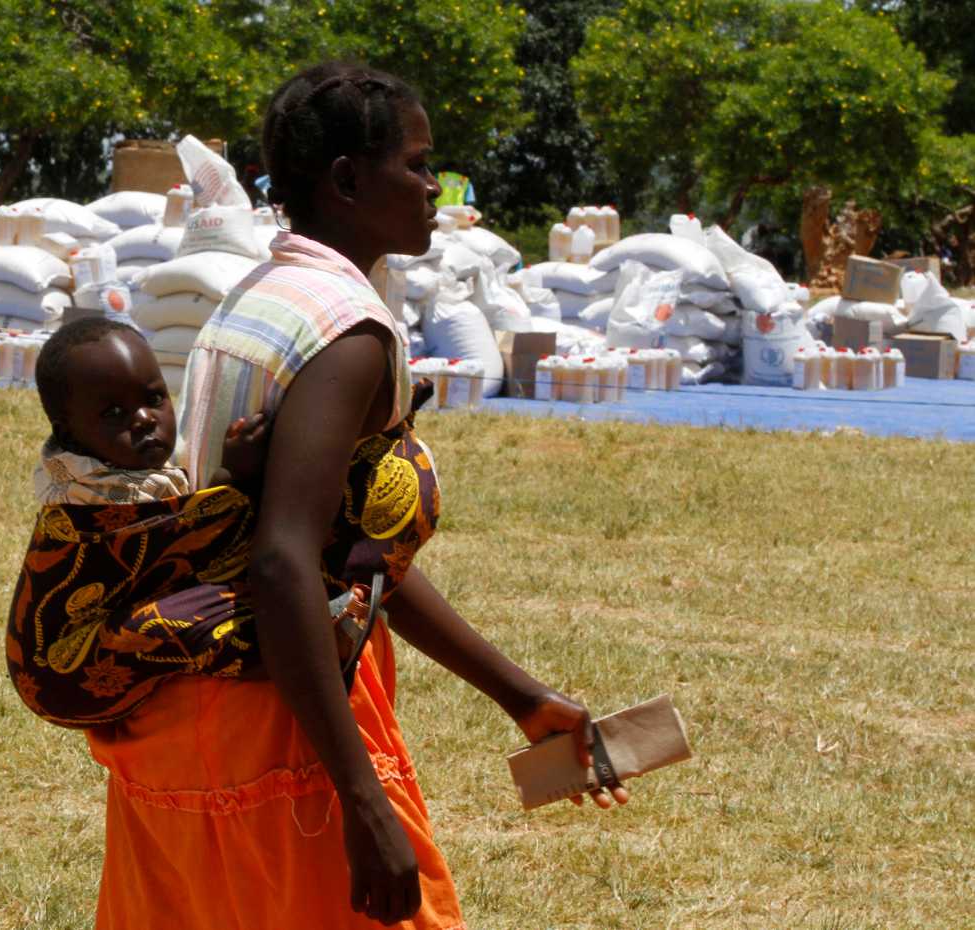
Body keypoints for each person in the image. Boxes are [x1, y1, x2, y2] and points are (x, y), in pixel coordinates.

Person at [85, 62, 628, 929]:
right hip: (278, 727)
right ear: (346, 180)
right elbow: (282, 563)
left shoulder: (262, 298)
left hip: (189, 711)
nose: (433, 191)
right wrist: (361, 799)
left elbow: (349, 553)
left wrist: (520, 696)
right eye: (416, 165)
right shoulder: (348, 335)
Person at [10, 317, 365, 727]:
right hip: (64, 681)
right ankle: (304, 657)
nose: (143, 418)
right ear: (67, 432)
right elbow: (191, 543)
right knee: (183, 619)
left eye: (154, 397)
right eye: (114, 413)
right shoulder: (93, 500)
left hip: (93, 651)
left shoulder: (123, 474)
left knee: (214, 598)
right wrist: (234, 477)